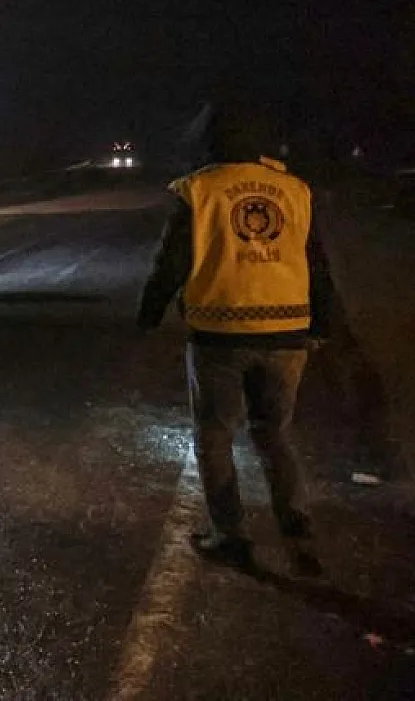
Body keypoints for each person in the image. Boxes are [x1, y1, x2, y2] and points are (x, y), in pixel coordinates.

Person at [138, 101, 343, 575]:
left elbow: (170, 261)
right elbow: (317, 263)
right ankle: (297, 528)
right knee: (274, 434)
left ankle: (231, 535)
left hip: (219, 337)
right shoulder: (294, 190)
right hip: (289, 334)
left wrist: (149, 315)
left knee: (214, 437)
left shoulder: (199, 191)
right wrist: (324, 326)